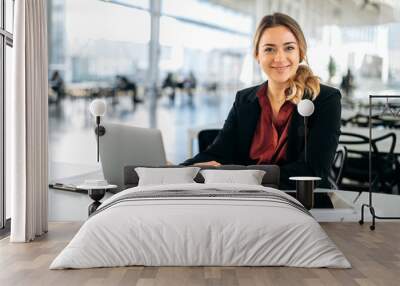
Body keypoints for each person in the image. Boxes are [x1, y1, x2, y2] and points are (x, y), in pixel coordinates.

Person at [181, 13, 341, 207]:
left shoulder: (325, 99)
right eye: (269, 49)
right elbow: (219, 151)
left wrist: (244, 176)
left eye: (289, 48)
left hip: (302, 204)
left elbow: (313, 170)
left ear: (301, 52)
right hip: (248, 204)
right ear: (257, 55)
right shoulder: (245, 99)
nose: (279, 58)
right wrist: (181, 170)